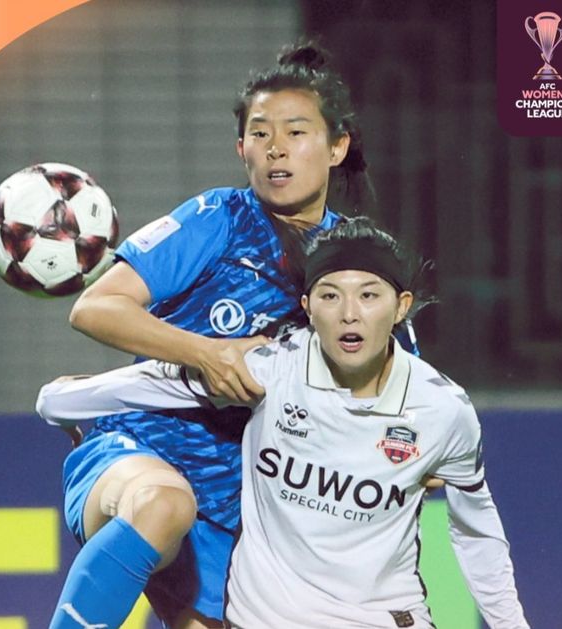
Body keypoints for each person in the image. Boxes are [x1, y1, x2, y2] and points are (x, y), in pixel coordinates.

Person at [46, 41, 392, 629]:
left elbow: (393, 392)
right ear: (241, 149)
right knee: (163, 505)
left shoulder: (357, 261)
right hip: (139, 453)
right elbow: (96, 308)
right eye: (260, 133)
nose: (276, 147)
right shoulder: (219, 219)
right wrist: (206, 353)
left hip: (245, 509)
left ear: (337, 147)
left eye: (297, 132)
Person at [37, 216, 529, 629]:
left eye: (369, 296)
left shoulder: (442, 411)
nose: (349, 314)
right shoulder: (271, 371)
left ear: (400, 307)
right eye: (330, 296)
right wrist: (58, 401)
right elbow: (155, 383)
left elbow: (477, 531)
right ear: (308, 307)